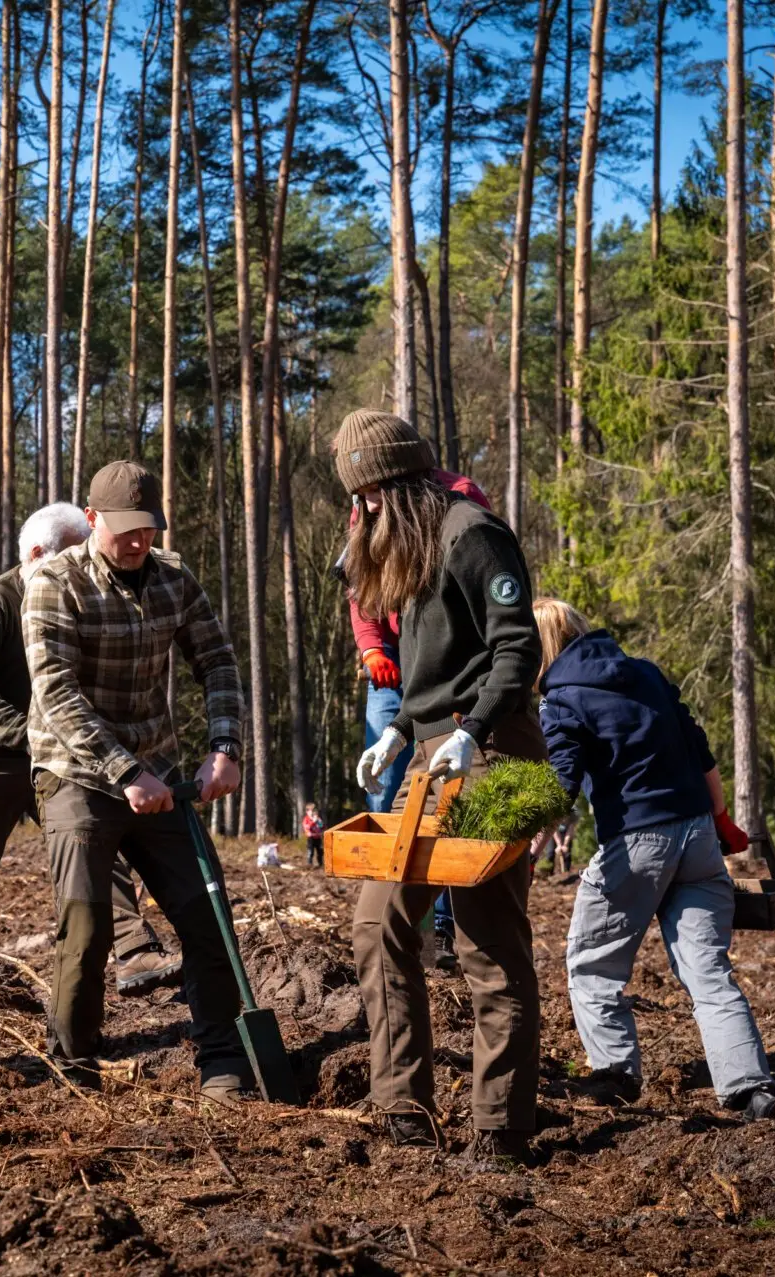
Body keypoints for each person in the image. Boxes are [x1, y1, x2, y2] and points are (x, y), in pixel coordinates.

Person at [342, 409, 545, 1162]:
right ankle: (403, 1110)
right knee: (379, 922)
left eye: (363, 500)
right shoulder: (409, 542)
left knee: (487, 942)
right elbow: (430, 667)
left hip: (492, 752)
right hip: (428, 753)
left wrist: (474, 731)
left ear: (391, 487)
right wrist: (398, 731)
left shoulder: (472, 532)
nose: (357, 515)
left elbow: (515, 646)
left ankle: (501, 1129)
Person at [25, 461, 250, 1104]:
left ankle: (223, 1059)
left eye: (148, 529)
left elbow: (217, 661)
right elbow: (58, 696)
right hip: (74, 772)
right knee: (88, 925)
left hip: (157, 771)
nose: (137, 542)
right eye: (125, 530)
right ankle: (75, 1064)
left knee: (207, 916)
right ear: (92, 520)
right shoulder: (53, 584)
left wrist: (225, 747)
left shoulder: (175, 579)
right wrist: (123, 771)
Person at [534, 599, 775, 1121]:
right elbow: (701, 751)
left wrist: (524, 851)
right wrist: (720, 819)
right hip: (696, 836)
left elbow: (559, 786)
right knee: (708, 971)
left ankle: (615, 1074)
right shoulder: (646, 674)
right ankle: (750, 1089)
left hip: (635, 844)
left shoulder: (561, 699)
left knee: (592, 964)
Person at [0, 502, 183, 1021]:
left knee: (95, 842)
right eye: (69, 556)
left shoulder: (76, 598)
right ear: (38, 554)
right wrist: (31, 733)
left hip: (58, 754)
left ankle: (134, 952)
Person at [343, 439, 488, 975]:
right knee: (387, 789)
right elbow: (362, 587)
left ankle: (444, 923)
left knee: (449, 800)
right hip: (395, 679)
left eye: (371, 491)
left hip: (449, 676)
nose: (365, 505)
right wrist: (373, 648)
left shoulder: (460, 500)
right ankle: (405, 922)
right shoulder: (365, 507)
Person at [302, 802, 324, 869]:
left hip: (318, 837)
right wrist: (313, 822)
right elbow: (307, 827)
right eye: (311, 810)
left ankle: (321, 863)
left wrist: (319, 821)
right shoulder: (306, 819)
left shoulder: (317, 818)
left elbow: (321, 826)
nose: (312, 812)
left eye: (314, 810)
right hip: (311, 838)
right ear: (307, 811)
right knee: (310, 851)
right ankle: (309, 864)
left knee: (320, 851)